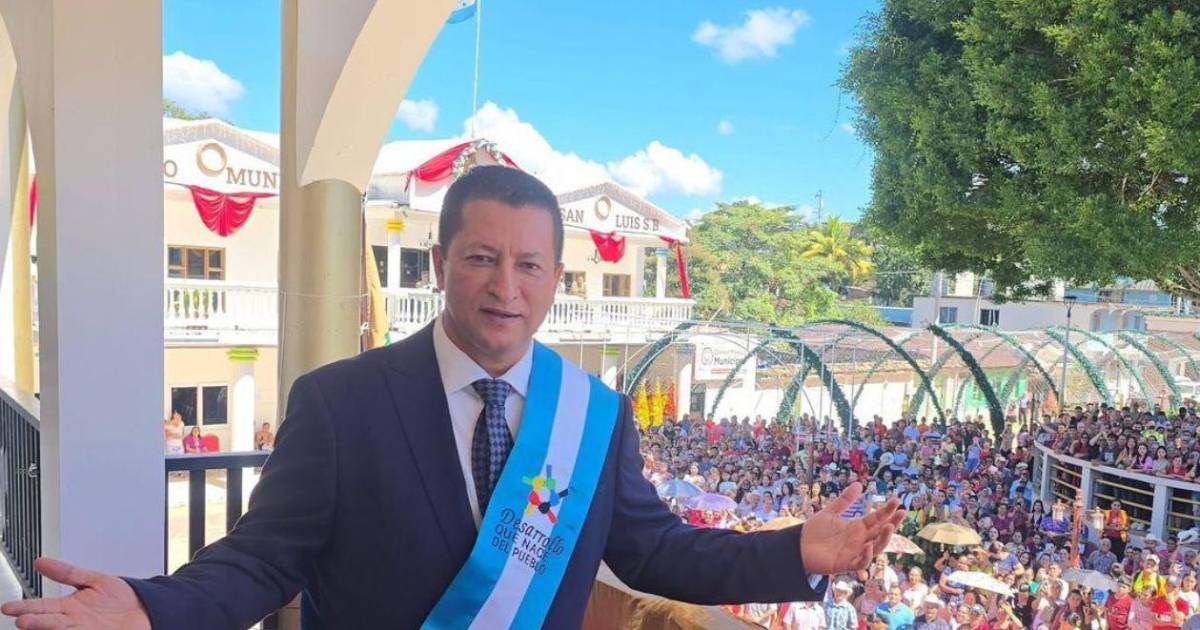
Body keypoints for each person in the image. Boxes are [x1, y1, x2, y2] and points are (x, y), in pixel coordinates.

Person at [1, 166, 905, 629]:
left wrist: (797, 551)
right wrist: (151, 609)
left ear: (555, 280)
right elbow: (263, 562)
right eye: (481, 258)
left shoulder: (594, 416)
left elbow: (655, 551)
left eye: (529, 265)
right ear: (439, 264)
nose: (505, 287)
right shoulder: (340, 404)